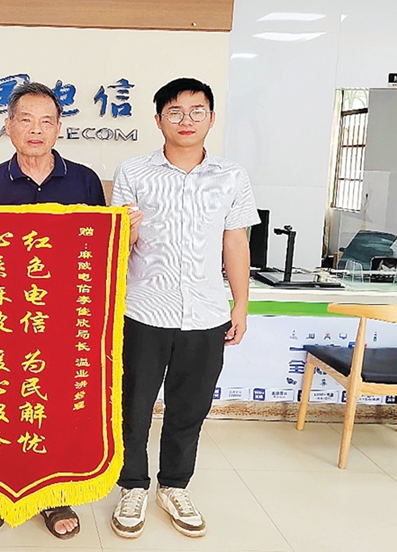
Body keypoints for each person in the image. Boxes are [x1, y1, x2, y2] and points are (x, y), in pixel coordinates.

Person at [109, 78, 259, 540]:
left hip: (206, 313)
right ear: (159, 120)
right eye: (175, 112)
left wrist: (240, 304)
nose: (186, 120)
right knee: (132, 406)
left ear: (211, 119)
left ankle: (174, 485)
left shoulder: (231, 176)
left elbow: (235, 241)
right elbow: (117, 247)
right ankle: (132, 486)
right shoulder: (133, 172)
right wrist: (128, 231)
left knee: (189, 408)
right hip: (143, 312)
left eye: (197, 111)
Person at [0, 82, 105, 539]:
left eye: (47, 121)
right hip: (2, 321)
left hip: (62, 320)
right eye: (25, 120)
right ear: (8, 126)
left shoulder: (84, 181)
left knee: (56, 405)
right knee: (0, 402)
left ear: (59, 128)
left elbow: (98, 251)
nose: (36, 130)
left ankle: (53, 495)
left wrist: (126, 229)